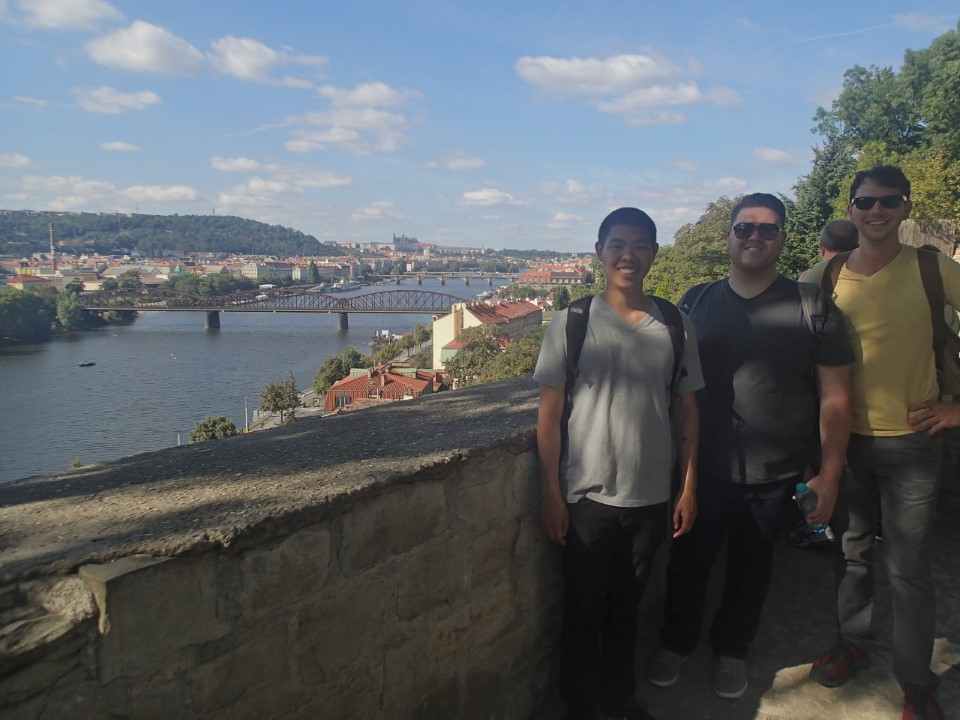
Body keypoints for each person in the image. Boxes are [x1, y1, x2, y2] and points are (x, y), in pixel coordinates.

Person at [647, 193, 853, 700]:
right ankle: (676, 642)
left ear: (783, 238)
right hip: (700, 465)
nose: (754, 238)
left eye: (766, 229)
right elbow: (668, 384)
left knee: (752, 568)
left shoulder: (813, 306)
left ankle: (732, 650)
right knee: (688, 562)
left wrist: (829, 474)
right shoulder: (695, 301)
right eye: (744, 229)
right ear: (728, 237)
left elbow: (836, 397)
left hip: (775, 471)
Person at [534, 207, 703, 720]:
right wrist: (550, 493)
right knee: (583, 611)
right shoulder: (573, 321)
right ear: (599, 253)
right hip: (586, 497)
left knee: (627, 608)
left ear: (653, 253)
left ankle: (618, 698)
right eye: (617, 245)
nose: (627, 255)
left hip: (651, 495)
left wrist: (688, 488)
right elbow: (550, 413)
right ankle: (580, 707)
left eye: (639, 245)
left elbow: (687, 411)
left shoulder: (675, 324)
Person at [803, 166, 960, 720]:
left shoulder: (933, 268)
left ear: (905, 208)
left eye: (888, 201)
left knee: (909, 565)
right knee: (851, 555)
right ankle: (853, 644)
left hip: (913, 442)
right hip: (845, 444)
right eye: (866, 201)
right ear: (851, 209)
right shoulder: (822, 277)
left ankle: (916, 681)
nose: (877, 211)